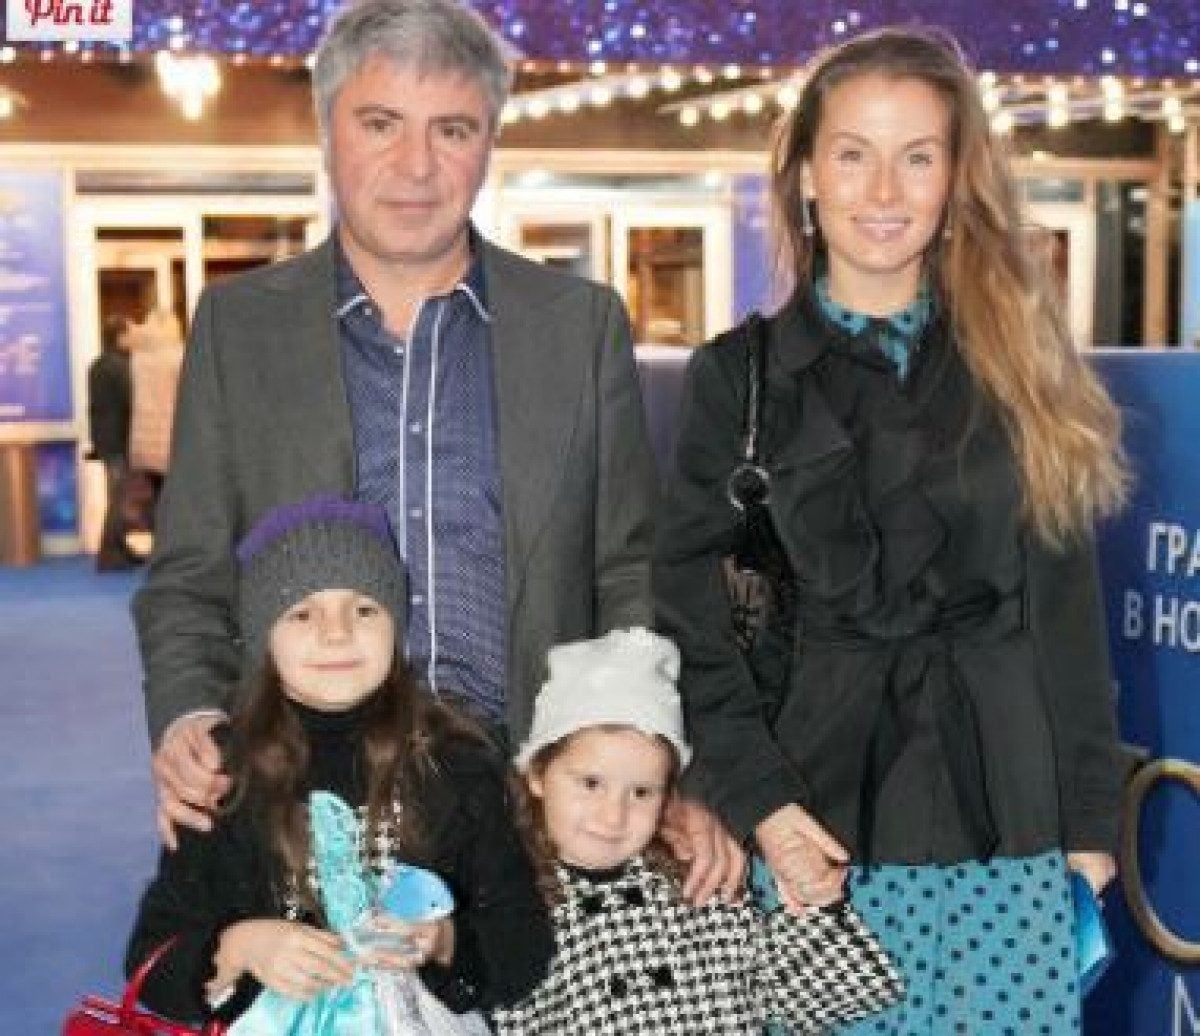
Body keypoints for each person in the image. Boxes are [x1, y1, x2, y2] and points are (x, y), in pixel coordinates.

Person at [133, 0, 738, 901]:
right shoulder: (241, 328)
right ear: (327, 131)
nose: (416, 166)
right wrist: (188, 712)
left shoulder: (579, 328)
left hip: (538, 810)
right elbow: (189, 575)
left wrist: (655, 758)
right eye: (381, 123)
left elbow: (627, 572)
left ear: (489, 142)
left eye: (452, 129)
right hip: (306, 810)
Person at [654, 27, 1129, 1034]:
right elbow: (690, 619)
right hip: (814, 832)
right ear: (805, 175)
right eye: (852, 154)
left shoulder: (1023, 364)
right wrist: (760, 802)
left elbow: (1066, 617)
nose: (883, 190)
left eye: (917, 156)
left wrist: (1091, 827)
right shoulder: (737, 378)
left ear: (956, 179)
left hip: (1009, 828)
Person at [126, 494, 552, 1027]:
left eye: (364, 609)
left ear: (396, 626)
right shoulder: (225, 776)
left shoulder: (456, 763)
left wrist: (444, 942)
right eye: (302, 613)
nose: (336, 633)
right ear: (264, 640)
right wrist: (241, 947)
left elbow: (524, 943)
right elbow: (151, 957)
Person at [491, 627, 903, 1034]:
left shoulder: (698, 883)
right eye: (591, 783)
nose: (613, 816)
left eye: (641, 792)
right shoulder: (513, 907)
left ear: (668, 794)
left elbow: (821, 999)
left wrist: (816, 904)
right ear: (538, 774)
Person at [127, 306, 186, 526]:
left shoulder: (138, 358)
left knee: (155, 494)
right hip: (171, 437)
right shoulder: (178, 357)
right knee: (176, 497)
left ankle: (157, 535)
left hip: (144, 440)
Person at [86, 314, 136, 571]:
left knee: (117, 495)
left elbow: (95, 408)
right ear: (120, 336)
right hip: (119, 440)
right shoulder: (121, 367)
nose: (133, 337)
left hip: (105, 440)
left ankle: (119, 547)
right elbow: (130, 402)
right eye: (129, 332)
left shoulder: (96, 366)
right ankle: (108, 553)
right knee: (118, 498)